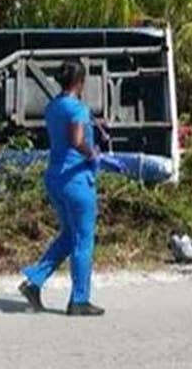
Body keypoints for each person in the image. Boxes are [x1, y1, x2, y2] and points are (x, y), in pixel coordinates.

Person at [16, 58, 122, 316]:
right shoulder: (77, 109)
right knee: (83, 240)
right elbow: (76, 140)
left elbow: (64, 133)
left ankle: (34, 281)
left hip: (55, 179)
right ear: (80, 82)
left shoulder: (53, 107)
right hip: (76, 182)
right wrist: (93, 152)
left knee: (68, 236)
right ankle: (79, 300)